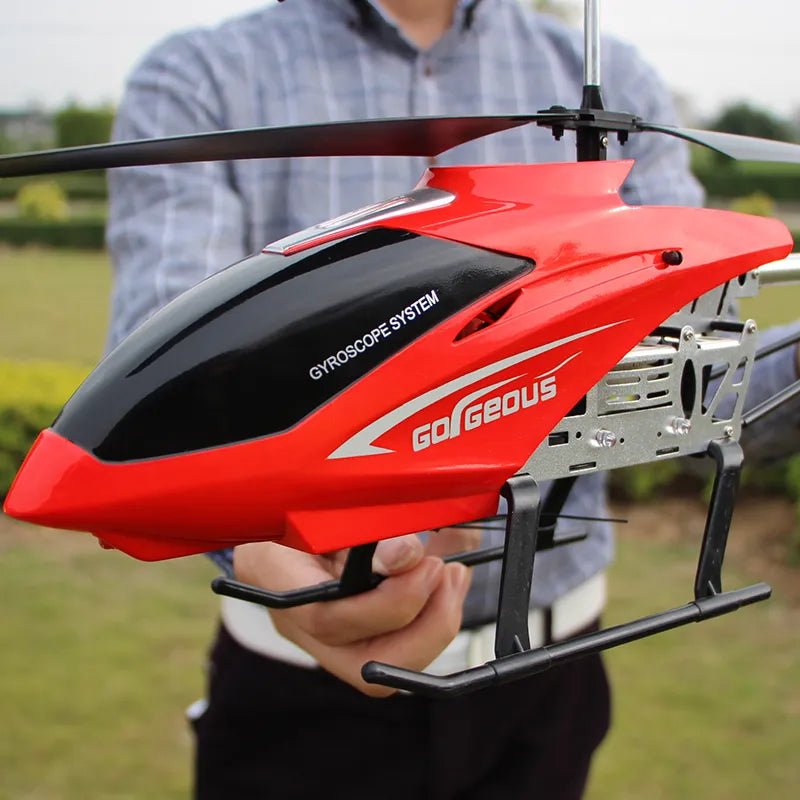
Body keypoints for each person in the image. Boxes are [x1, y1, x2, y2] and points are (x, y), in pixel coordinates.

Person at [106, 2, 800, 797]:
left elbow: (696, 374)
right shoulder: (201, 78)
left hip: (548, 684)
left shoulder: (615, 71)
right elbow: (168, 375)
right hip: (297, 697)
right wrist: (266, 550)